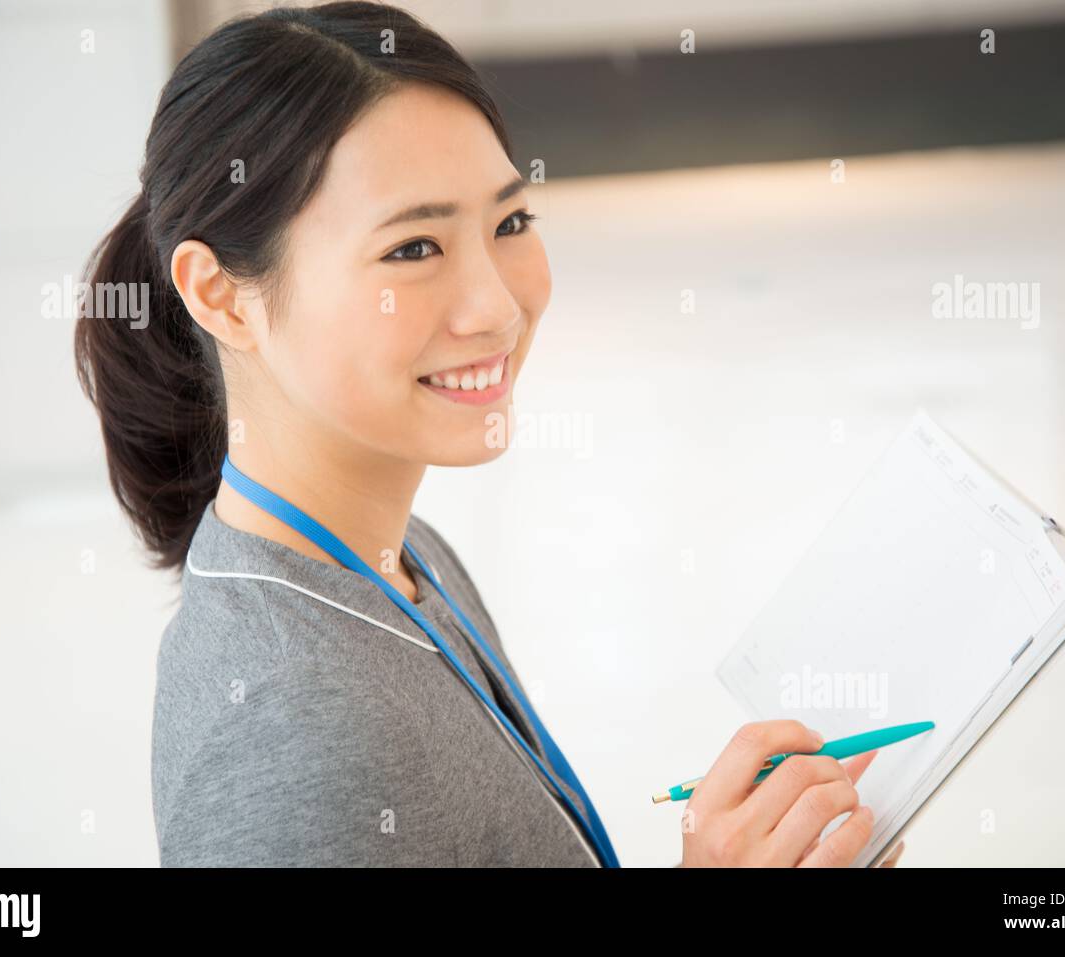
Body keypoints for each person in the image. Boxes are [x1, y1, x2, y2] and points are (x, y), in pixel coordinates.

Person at [74, 0, 904, 868]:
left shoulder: (399, 556)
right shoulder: (289, 724)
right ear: (218, 294)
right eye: (413, 249)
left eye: (509, 224)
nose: (498, 306)